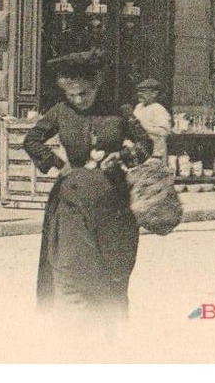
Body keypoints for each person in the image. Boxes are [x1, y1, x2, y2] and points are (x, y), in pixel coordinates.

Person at [24, 50, 153, 320]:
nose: (78, 100)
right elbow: (31, 140)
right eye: (71, 95)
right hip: (72, 206)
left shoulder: (120, 111)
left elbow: (146, 144)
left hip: (114, 206)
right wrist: (58, 164)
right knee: (73, 272)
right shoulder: (60, 112)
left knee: (113, 274)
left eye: (84, 94)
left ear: (96, 87)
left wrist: (124, 156)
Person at [131, 78, 171, 161]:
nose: (140, 94)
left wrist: (143, 128)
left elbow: (164, 132)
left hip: (154, 152)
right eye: (139, 91)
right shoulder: (138, 107)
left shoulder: (158, 109)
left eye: (144, 92)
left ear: (154, 93)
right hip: (137, 150)